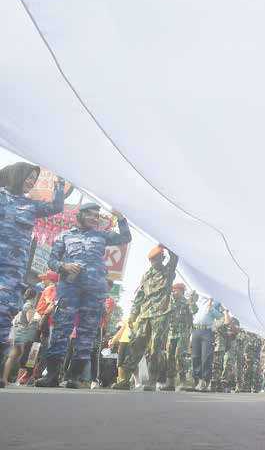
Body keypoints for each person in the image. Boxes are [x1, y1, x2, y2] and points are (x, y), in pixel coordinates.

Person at [36, 203, 131, 388]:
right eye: (91, 215)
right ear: (80, 215)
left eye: (97, 216)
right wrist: (63, 266)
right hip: (69, 288)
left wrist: (120, 218)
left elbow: (126, 237)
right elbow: (52, 260)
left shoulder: (102, 235)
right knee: (61, 330)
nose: (95, 219)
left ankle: (74, 377)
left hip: (94, 291)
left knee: (86, 333)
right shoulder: (64, 236)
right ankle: (52, 375)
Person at [0, 163, 66, 384]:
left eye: (34, 179)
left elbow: (57, 207)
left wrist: (59, 183)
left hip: (14, 274)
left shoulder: (30, 204)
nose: (31, 182)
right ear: (16, 175)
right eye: (28, 177)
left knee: (4, 315)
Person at [112, 245, 178, 391]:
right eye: (153, 259)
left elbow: (175, 258)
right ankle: (124, 379)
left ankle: (152, 380)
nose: (155, 261)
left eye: (158, 258)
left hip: (161, 314)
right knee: (136, 345)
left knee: (156, 348)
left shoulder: (168, 271)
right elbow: (140, 296)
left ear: (162, 258)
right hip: (145, 314)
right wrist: (133, 314)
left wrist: (167, 245)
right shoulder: (147, 274)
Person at [163, 284, 198, 391]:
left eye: (176, 290)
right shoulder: (170, 302)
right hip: (171, 333)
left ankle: (183, 381)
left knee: (179, 356)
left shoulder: (187, 302)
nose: (174, 292)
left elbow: (194, 310)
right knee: (170, 357)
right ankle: (170, 382)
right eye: (173, 290)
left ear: (182, 291)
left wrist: (192, 301)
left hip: (183, 333)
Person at [2, 288, 38, 385]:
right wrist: (37, 320)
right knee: (21, 356)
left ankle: (5, 378)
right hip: (24, 334)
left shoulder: (23, 304)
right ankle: (12, 379)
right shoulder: (30, 305)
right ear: (35, 296)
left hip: (18, 332)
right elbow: (29, 320)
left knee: (13, 356)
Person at [191, 297, 223, 391]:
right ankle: (197, 381)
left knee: (206, 357)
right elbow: (193, 311)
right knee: (195, 356)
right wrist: (192, 303)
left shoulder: (216, 302)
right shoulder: (199, 300)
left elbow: (221, 317)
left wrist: (211, 308)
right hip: (196, 330)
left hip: (207, 331)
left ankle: (205, 381)